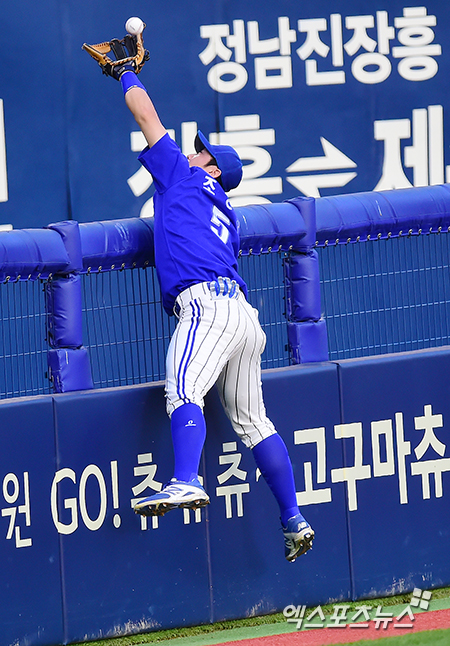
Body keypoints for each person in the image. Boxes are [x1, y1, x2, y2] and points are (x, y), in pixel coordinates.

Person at [101, 52, 314, 561]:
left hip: (208, 307)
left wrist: (125, 72)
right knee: (253, 421)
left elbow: (146, 117)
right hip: (242, 314)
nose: (194, 153)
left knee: (183, 388)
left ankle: (184, 480)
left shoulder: (185, 178)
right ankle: (293, 517)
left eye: (203, 153)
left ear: (212, 168)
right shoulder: (225, 210)